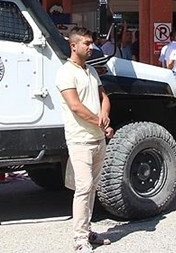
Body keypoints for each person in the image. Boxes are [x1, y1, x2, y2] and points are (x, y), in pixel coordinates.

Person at [56, 27, 113, 252]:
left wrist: (105, 115)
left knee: (92, 188)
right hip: (80, 139)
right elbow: (75, 106)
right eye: (87, 43)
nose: (91, 47)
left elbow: (103, 96)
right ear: (74, 45)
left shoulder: (91, 70)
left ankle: (87, 230)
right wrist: (99, 121)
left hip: (98, 139)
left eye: (91, 43)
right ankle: (79, 238)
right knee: (84, 187)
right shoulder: (65, 72)